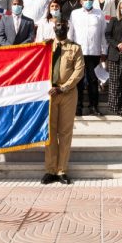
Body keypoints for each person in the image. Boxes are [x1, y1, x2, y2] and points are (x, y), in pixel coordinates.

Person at [41, 20, 85, 185]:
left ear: (67, 29)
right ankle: (50, 170)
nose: (60, 28)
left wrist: (64, 87)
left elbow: (79, 71)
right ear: (54, 28)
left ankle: (62, 170)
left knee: (65, 133)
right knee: (50, 133)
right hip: (49, 93)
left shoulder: (75, 48)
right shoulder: (47, 46)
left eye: (63, 26)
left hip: (67, 93)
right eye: (58, 26)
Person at [68, 0, 108, 116]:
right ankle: (77, 107)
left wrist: (104, 50)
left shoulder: (99, 13)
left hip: (94, 52)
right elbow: (71, 33)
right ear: (80, 1)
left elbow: (103, 33)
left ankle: (93, 106)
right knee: (78, 80)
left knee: (93, 80)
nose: (88, 1)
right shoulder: (75, 13)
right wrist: (70, 50)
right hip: (78, 52)